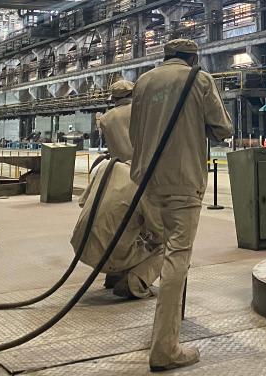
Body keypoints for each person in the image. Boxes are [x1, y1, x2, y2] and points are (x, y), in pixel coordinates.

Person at [129, 38, 233, 372]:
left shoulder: (144, 81)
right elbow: (223, 129)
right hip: (182, 181)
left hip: (146, 182)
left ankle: (161, 330)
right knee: (177, 257)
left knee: (158, 248)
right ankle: (165, 348)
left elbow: (134, 134)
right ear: (192, 58)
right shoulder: (199, 79)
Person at [71, 156, 162, 300]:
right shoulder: (146, 186)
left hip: (80, 246)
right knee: (170, 246)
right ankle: (134, 282)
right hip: (106, 256)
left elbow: (83, 202)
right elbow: (160, 234)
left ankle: (115, 276)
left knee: (123, 228)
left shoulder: (107, 166)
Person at [97, 79, 135, 163]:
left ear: (113, 98)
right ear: (133, 94)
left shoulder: (104, 119)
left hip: (118, 166)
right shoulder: (141, 109)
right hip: (145, 166)